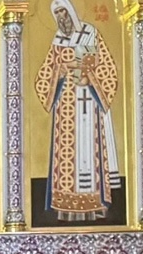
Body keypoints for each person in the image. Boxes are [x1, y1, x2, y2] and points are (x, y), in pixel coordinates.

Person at [37, 0, 121, 221]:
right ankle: (66, 206)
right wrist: (59, 72)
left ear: (72, 12)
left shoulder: (90, 34)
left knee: (89, 150)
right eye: (57, 14)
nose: (61, 17)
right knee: (67, 155)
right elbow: (45, 74)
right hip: (65, 109)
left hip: (89, 104)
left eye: (64, 12)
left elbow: (108, 68)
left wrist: (89, 78)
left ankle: (95, 204)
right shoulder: (57, 40)